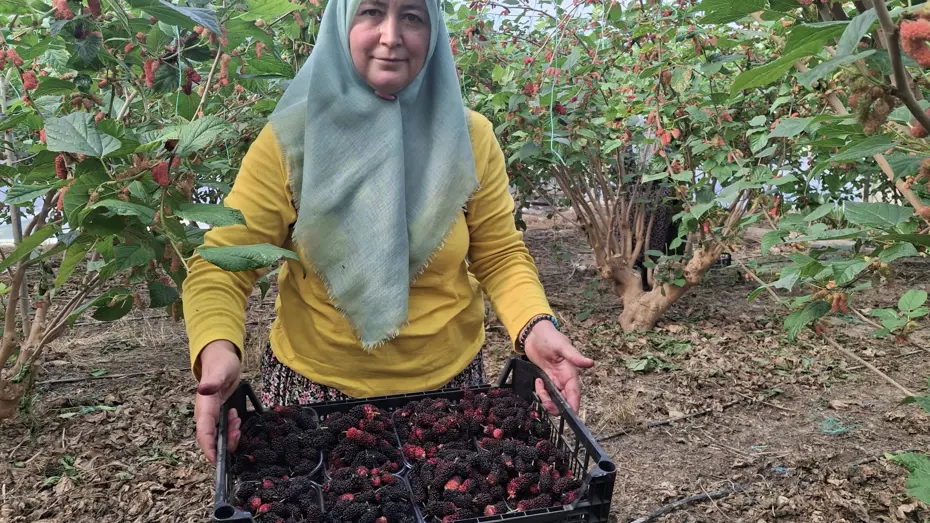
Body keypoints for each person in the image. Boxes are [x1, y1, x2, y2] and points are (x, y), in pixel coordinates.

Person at [182, 0, 595, 464]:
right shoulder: (292, 142)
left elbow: (499, 255)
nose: (391, 35)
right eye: (372, 12)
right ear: (341, 24)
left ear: (434, 32)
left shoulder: (469, 138)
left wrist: (535, 326)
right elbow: (222, 266)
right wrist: (218, 351)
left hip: (451, 392)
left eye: (413, 17)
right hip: (313, 398)